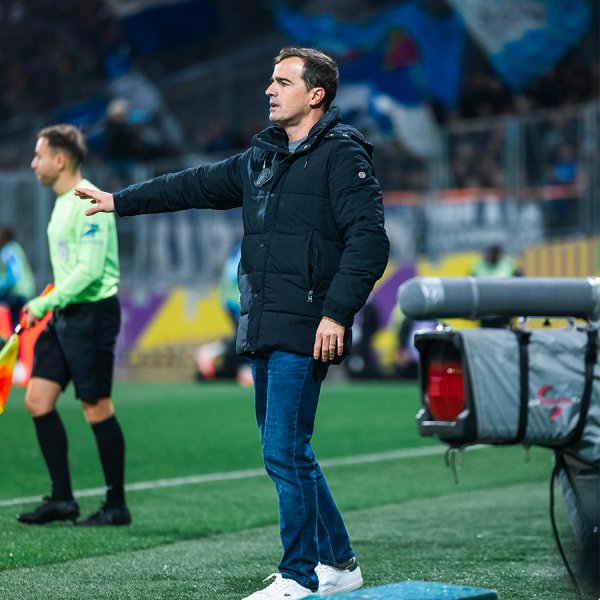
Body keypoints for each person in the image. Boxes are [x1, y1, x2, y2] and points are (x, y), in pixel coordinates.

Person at [76, 47, 390, 599]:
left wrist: (336, 313)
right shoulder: (262, 157)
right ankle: (339, 564)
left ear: (316, 95)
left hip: (306, 323)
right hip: (265, 321)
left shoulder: (342, 156)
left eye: (283, 82)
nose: (270, 90)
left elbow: (369, 242)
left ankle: (299, 576)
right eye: (271, 80)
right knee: (289, 450)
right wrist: (118, 201)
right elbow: (189, 185)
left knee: (283, 450)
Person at [17, 124, 130, 527]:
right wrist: (49, 304)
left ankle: (116, 506)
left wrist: (44, 301)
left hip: (92, 315)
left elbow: (90, 271)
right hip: (65, 313)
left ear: (60, 160)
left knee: (96, 407)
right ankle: (63, 499)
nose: (34, 164)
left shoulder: (87, 199)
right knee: (37, 400)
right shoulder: (64, 201)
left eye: (39, 156)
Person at [0, 227, 35, 330]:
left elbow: (14, 276)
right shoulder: (16, 248)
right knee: (17, 325)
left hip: (17, 292)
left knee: (16, 323)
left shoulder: (7, 251)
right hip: (27, 290)